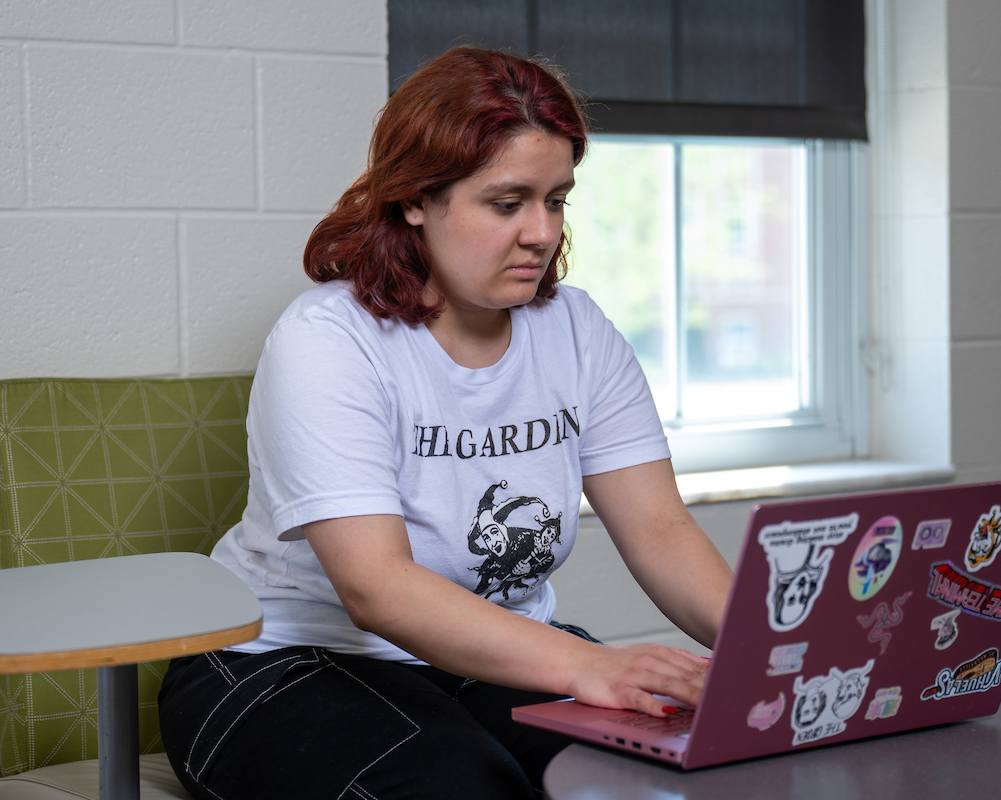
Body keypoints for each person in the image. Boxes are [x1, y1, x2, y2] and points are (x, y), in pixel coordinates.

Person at [158, 46, 733, 800]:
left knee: (666, 767)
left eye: (556, 200)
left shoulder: (578, 330)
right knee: (459, 784)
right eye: (507, 203)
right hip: (285, 658)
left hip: (481, 655)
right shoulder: (328, 340)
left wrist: (779, 659)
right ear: (415, 199)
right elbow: (379, 590)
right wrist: (591, 664)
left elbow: (661, 530)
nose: (541, 232)